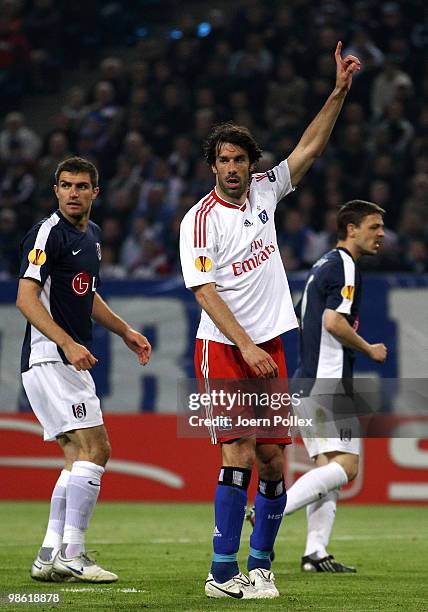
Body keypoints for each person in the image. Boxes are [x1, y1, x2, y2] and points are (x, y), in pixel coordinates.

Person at [179, 42, 361, 600]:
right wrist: (246, 345)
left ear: (250, 164)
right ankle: (220, 572)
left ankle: (261, 565)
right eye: (224, 161)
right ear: (212, 167)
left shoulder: (265, 191)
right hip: (225, 349)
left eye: (241, 160)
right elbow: (205, 292)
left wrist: (337, 93)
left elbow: (308, 148)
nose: (234, 169)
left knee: (275, 461)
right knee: (236, 454)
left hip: (270, 348)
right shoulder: (199, 221)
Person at [16, 156, 151, 583]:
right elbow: (25, 298)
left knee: (77, 458)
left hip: (61, 358)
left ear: (96, 192)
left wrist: (125, 330)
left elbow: (86, 293)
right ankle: (74, 553)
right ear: (55, 190)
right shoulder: (47, 233)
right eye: (66, 185)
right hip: (51, 357)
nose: (74, 193)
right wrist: (67, 342)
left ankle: (48, 554)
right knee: (97, 449)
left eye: (82, 186)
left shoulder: (90, 235)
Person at [249, 200, 387, 572]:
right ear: (351, 229)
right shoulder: (345, 265)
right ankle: (267, 514)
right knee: (347, 465)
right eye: (374, 227)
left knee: (329, 468)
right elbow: (333, 322)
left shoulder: (323, 264)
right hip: (328, 382)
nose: (381, 234)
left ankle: (315, 552)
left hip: (308, 380)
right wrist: (368, 348)